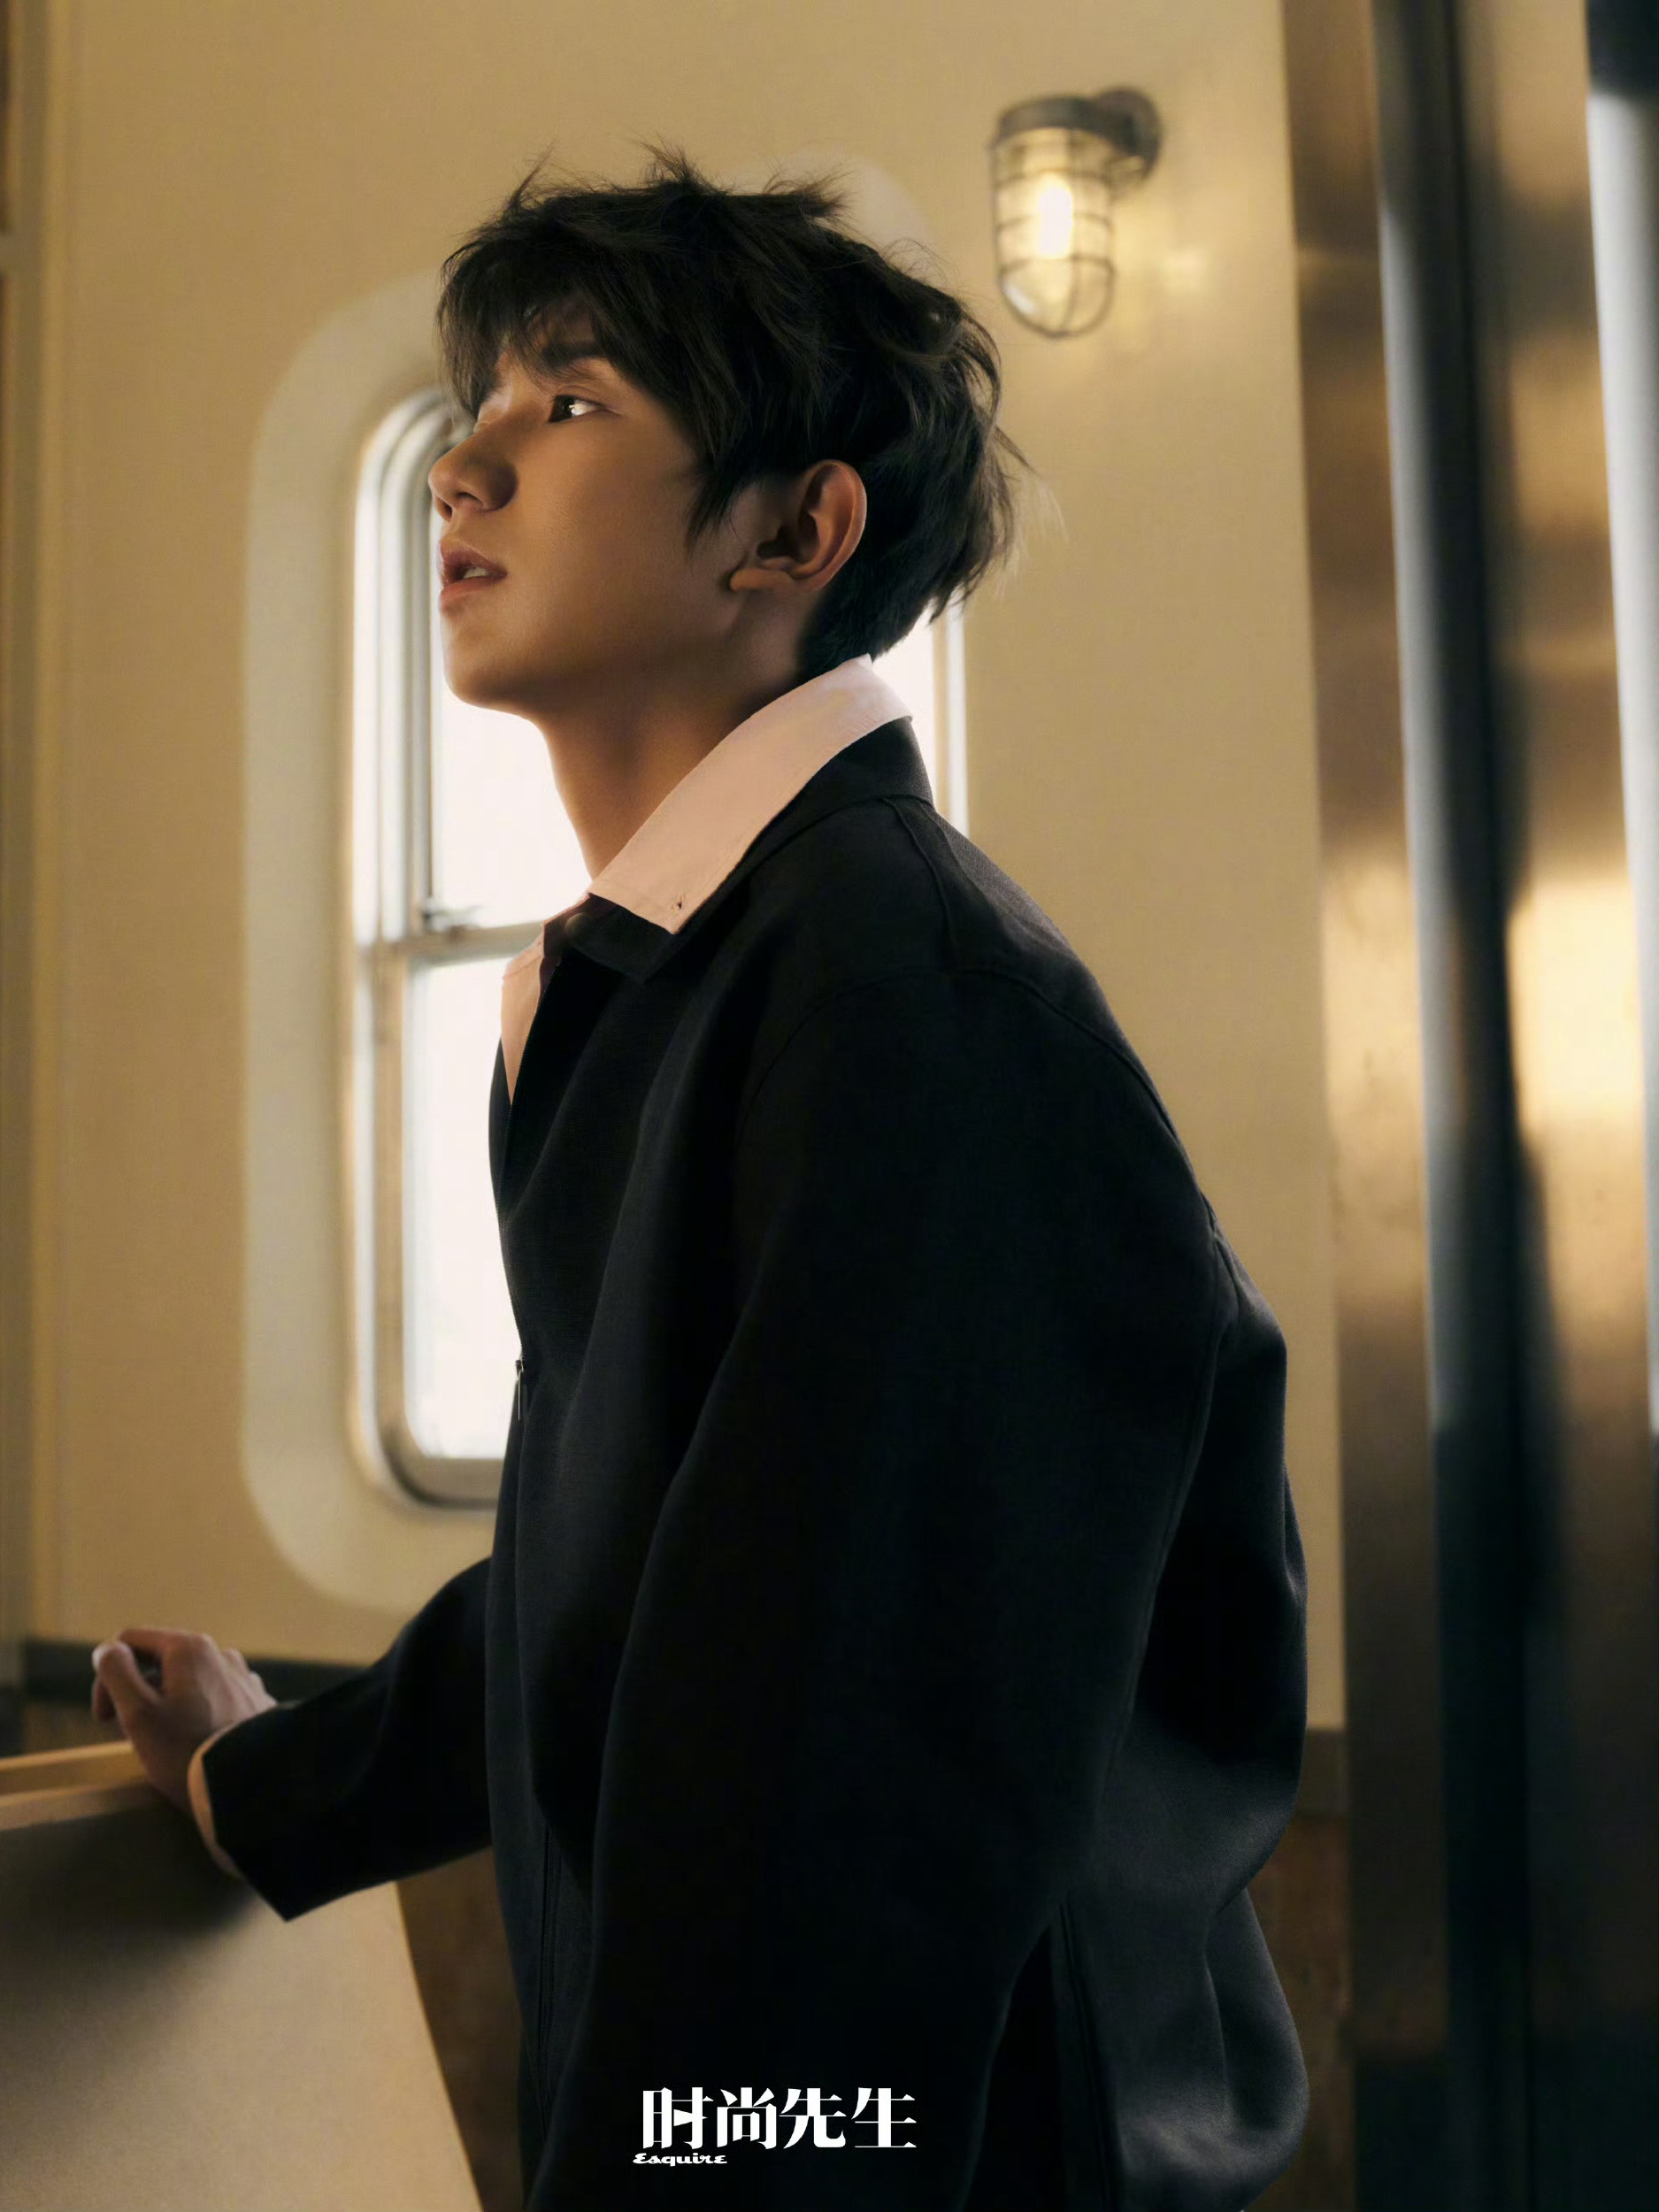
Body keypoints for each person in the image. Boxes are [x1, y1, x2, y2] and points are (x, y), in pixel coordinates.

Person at [93, 152, 1310, 2209]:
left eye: (569, 402)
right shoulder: (694, 966)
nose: (462, 467)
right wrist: (255, 1777)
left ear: (792, 530)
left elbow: (849, 1806)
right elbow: (652, 1575)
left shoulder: (908, 995)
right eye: (475, 407)